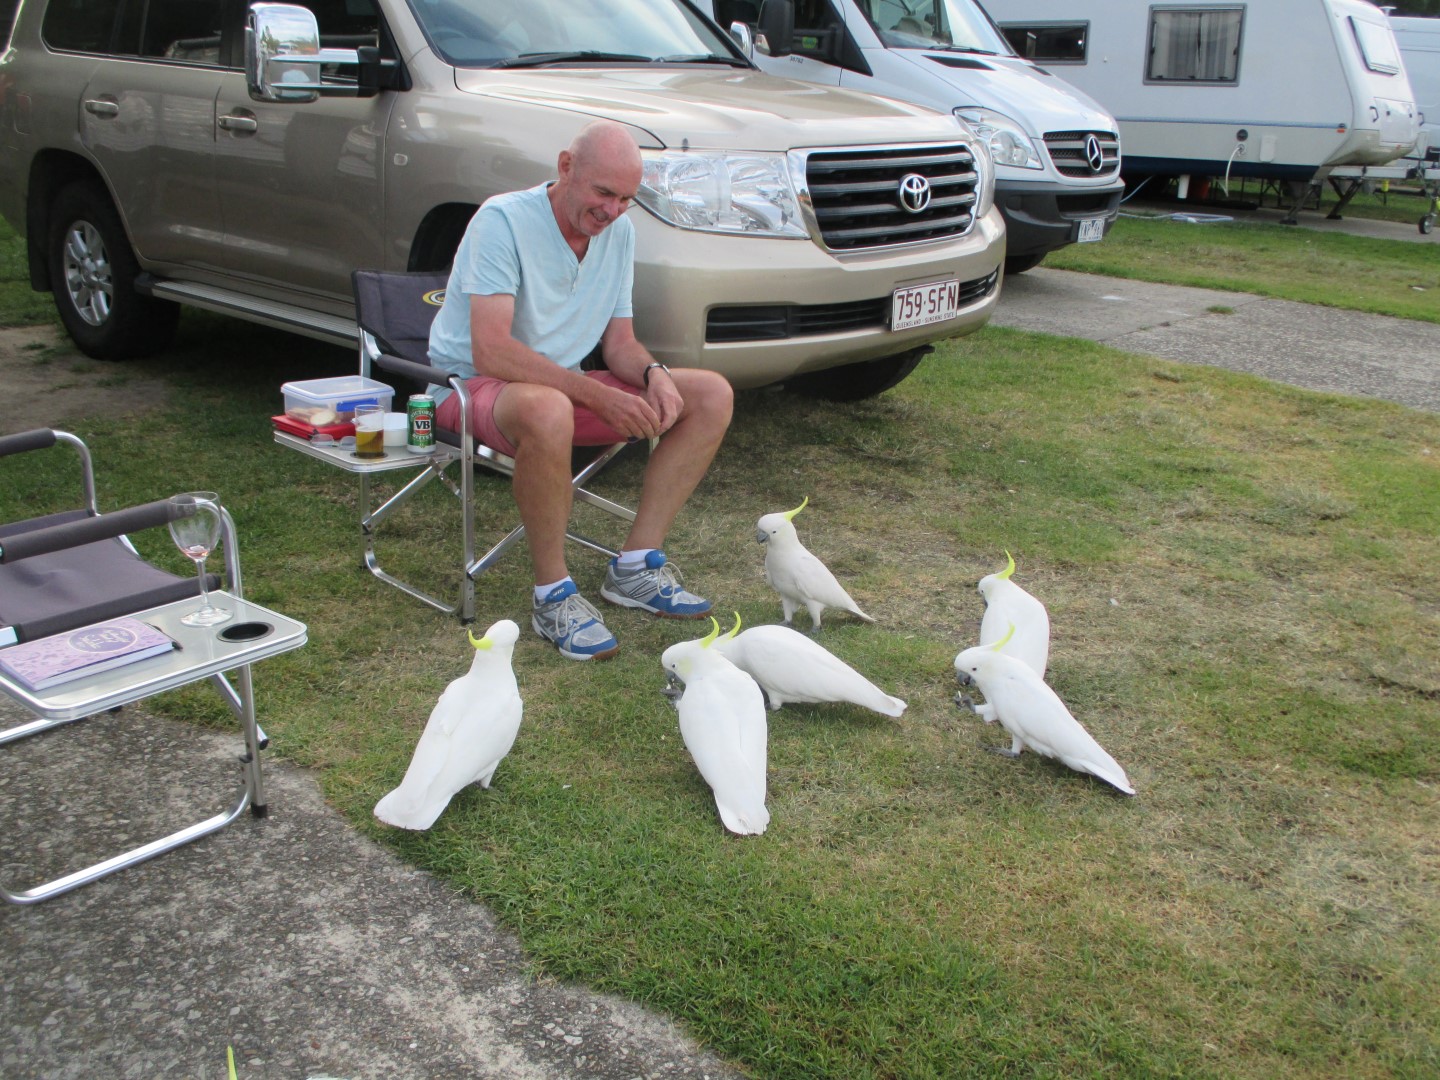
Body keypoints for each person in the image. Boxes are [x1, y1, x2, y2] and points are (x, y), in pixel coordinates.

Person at [427, 120, 734, 662]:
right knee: (550, 408)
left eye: (626, 199)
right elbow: (491, 351)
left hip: (557, 387)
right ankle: (552, 596)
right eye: (603, 193)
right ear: (566, 167)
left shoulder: (619, 233)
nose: (613, 211)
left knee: (710, 394)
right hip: (469, 388)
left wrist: (654, 373)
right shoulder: (502, 220)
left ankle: (635, 567)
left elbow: (620, 344)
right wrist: (594, 396)